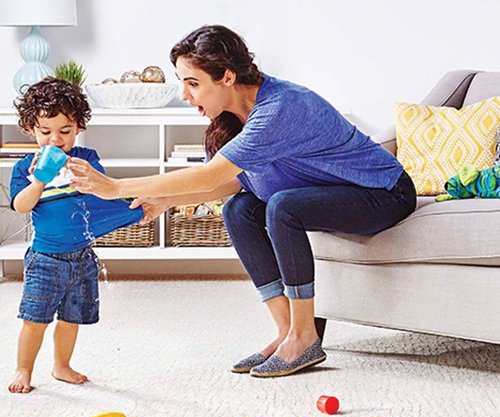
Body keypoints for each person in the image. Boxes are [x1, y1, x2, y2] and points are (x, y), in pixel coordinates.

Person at [68, 25, 417, 378]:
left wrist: (114, 186)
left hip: (383, 193)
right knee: (241, 209)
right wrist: (165, 200)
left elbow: (210, 176)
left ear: (227, 77)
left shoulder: (280, 107)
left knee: (283, 207)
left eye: (192, 82)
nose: (185, 95)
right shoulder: (238, 117)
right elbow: (231, 184)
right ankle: (286, 333)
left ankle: (304, 335)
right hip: (333, 195)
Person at [8, 77, 143, 393]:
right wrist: (40, 180)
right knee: (35, 319)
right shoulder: (26, 168)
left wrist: (133, 205)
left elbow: (104, 194)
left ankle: (61, 365)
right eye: (45, 132)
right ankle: (23, 370)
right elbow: (20, 206)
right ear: (31, 129)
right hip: (45, 258)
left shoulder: (86, 157)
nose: (56, 140)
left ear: (79, 126)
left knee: (70, 319)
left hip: (82, 257)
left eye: (65, 132)